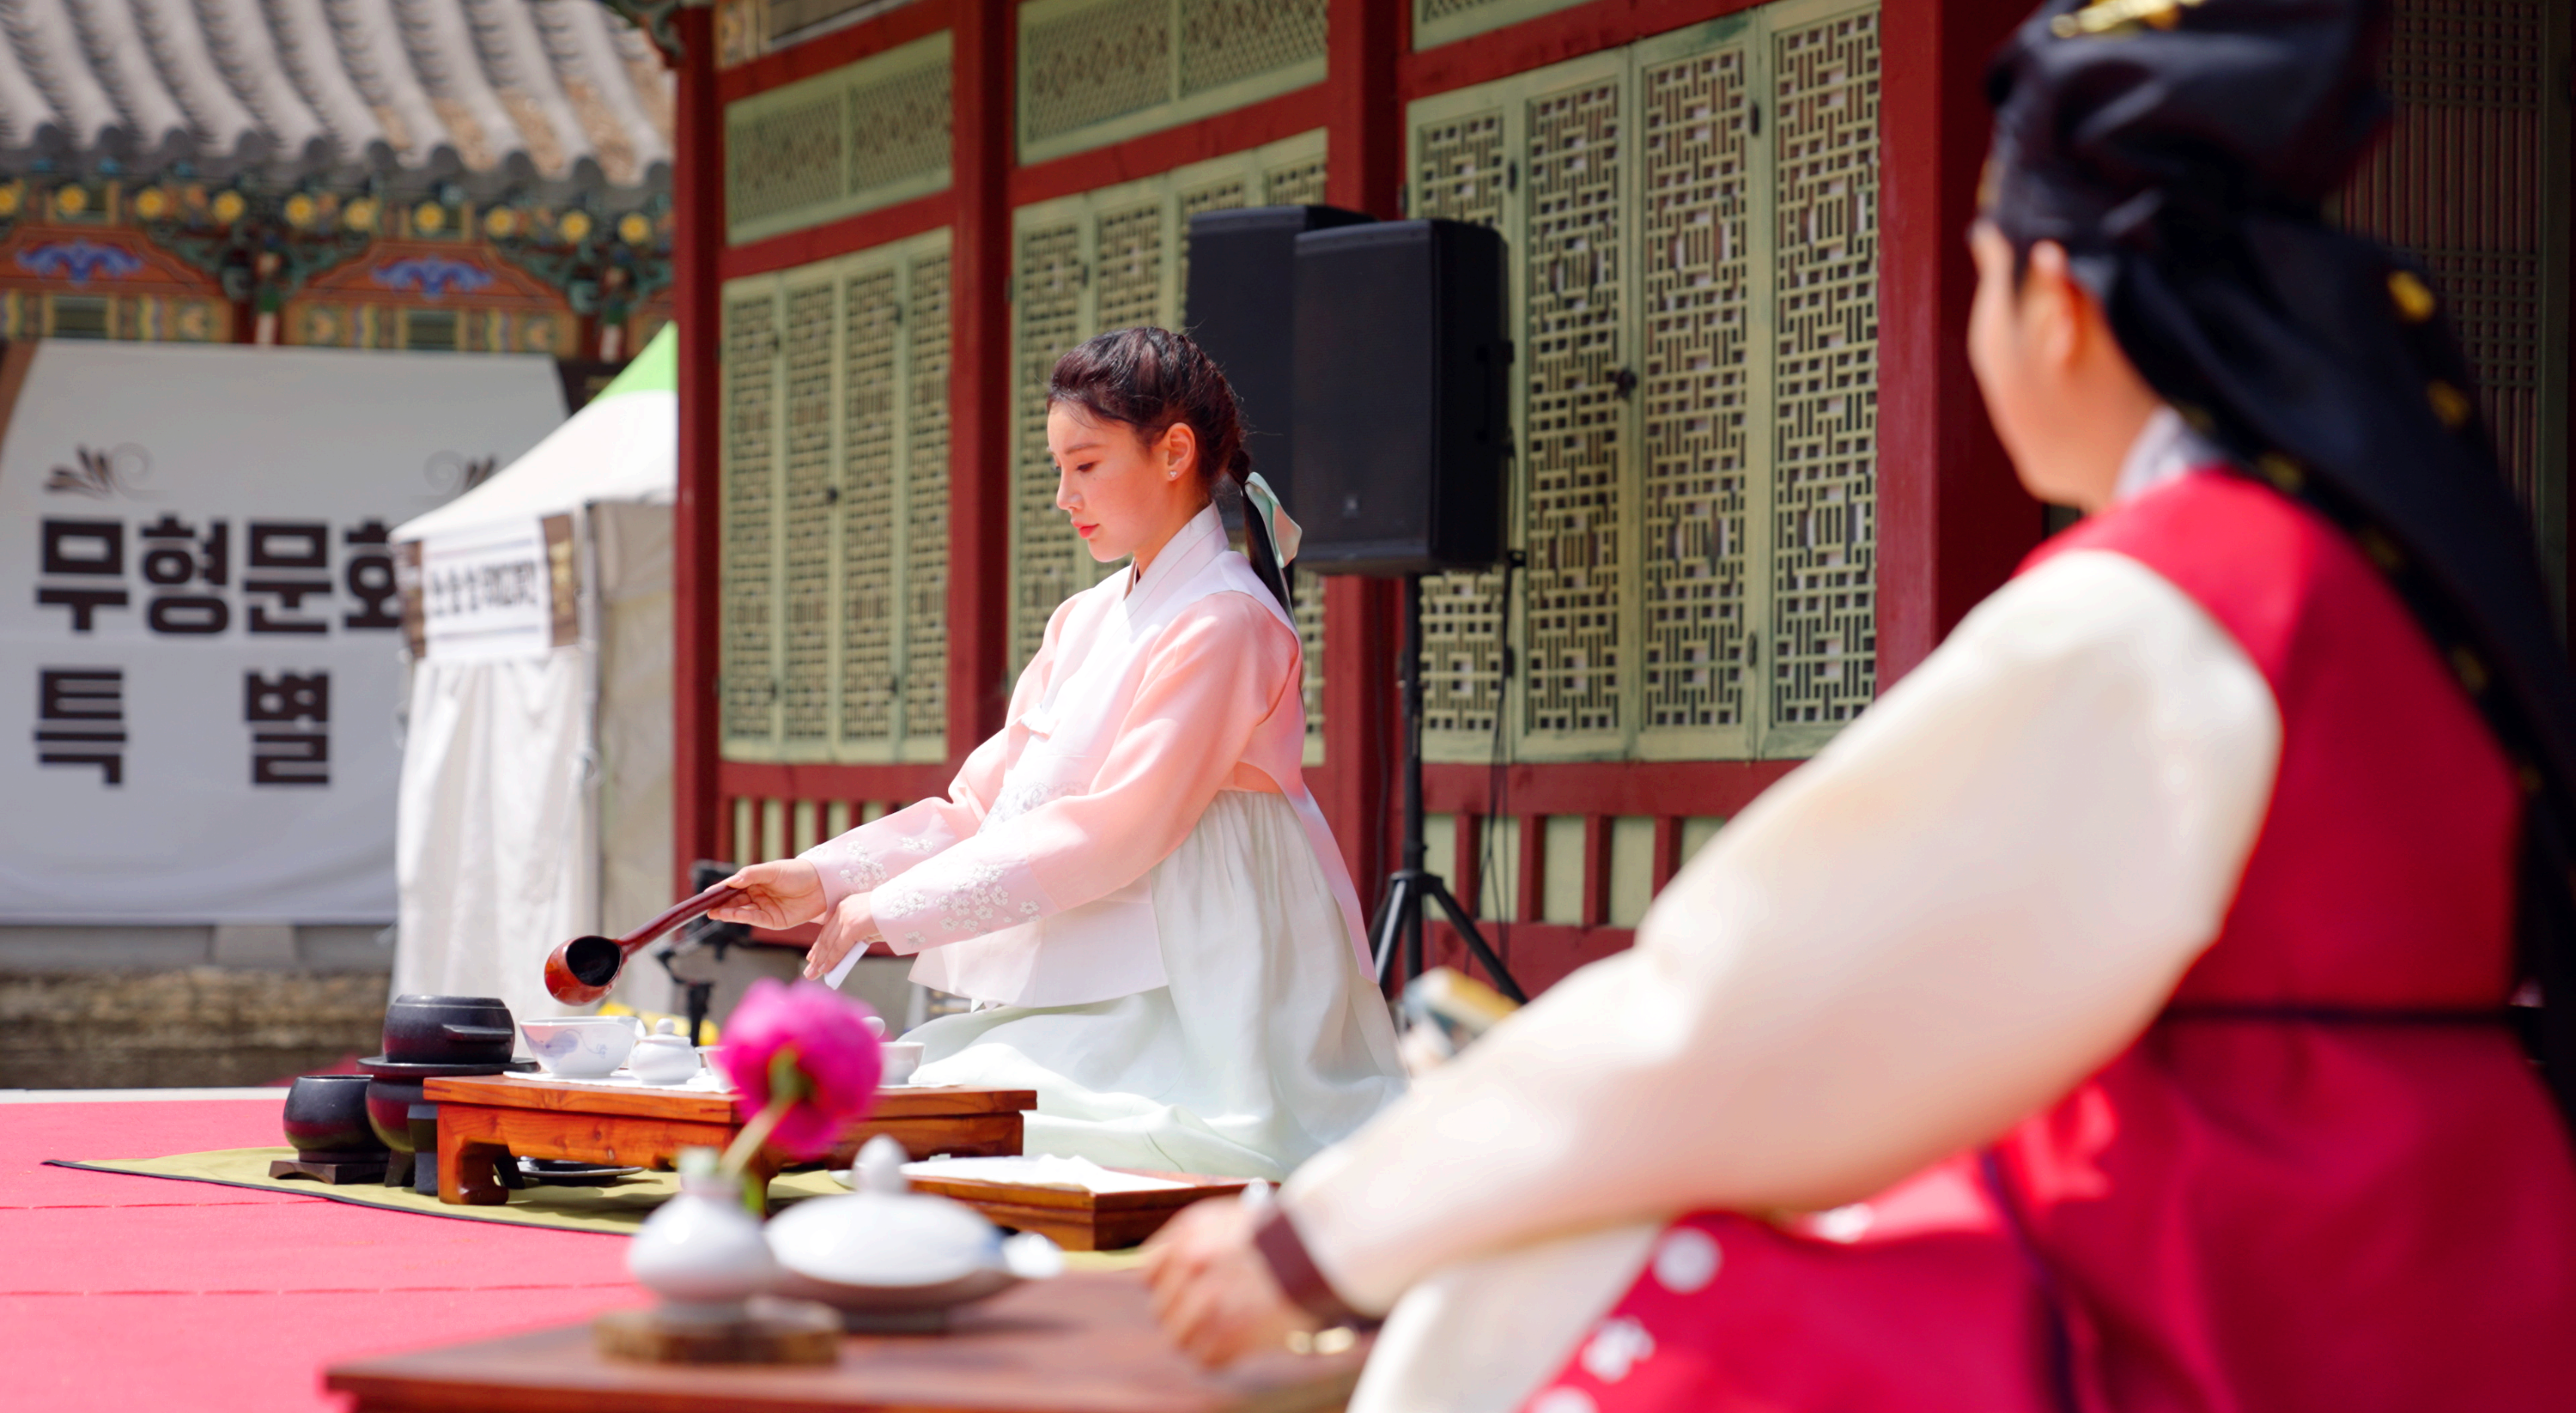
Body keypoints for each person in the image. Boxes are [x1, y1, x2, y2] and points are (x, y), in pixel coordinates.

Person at [1141, 0, 2576, 1406]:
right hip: (2448, 1256)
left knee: (1594, 1283)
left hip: (2223, 1281)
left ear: (2058, 302)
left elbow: (1741, 1015)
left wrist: (1318, 1238)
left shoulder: (2165, 603)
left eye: (1981, 276)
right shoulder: (2377, 577)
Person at [713, 328, 1406, 1180]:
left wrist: (893, 910)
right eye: (1058, 468)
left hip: (1210, 990)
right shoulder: (1083, 619)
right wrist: (824, 879)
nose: (1062, 495)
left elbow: (1120, 827)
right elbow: (983, 809)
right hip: (1108, 981)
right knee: (934, 1103)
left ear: (1174, 452)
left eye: (1085, 464)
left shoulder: (1226, 618)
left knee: (976, 1120)